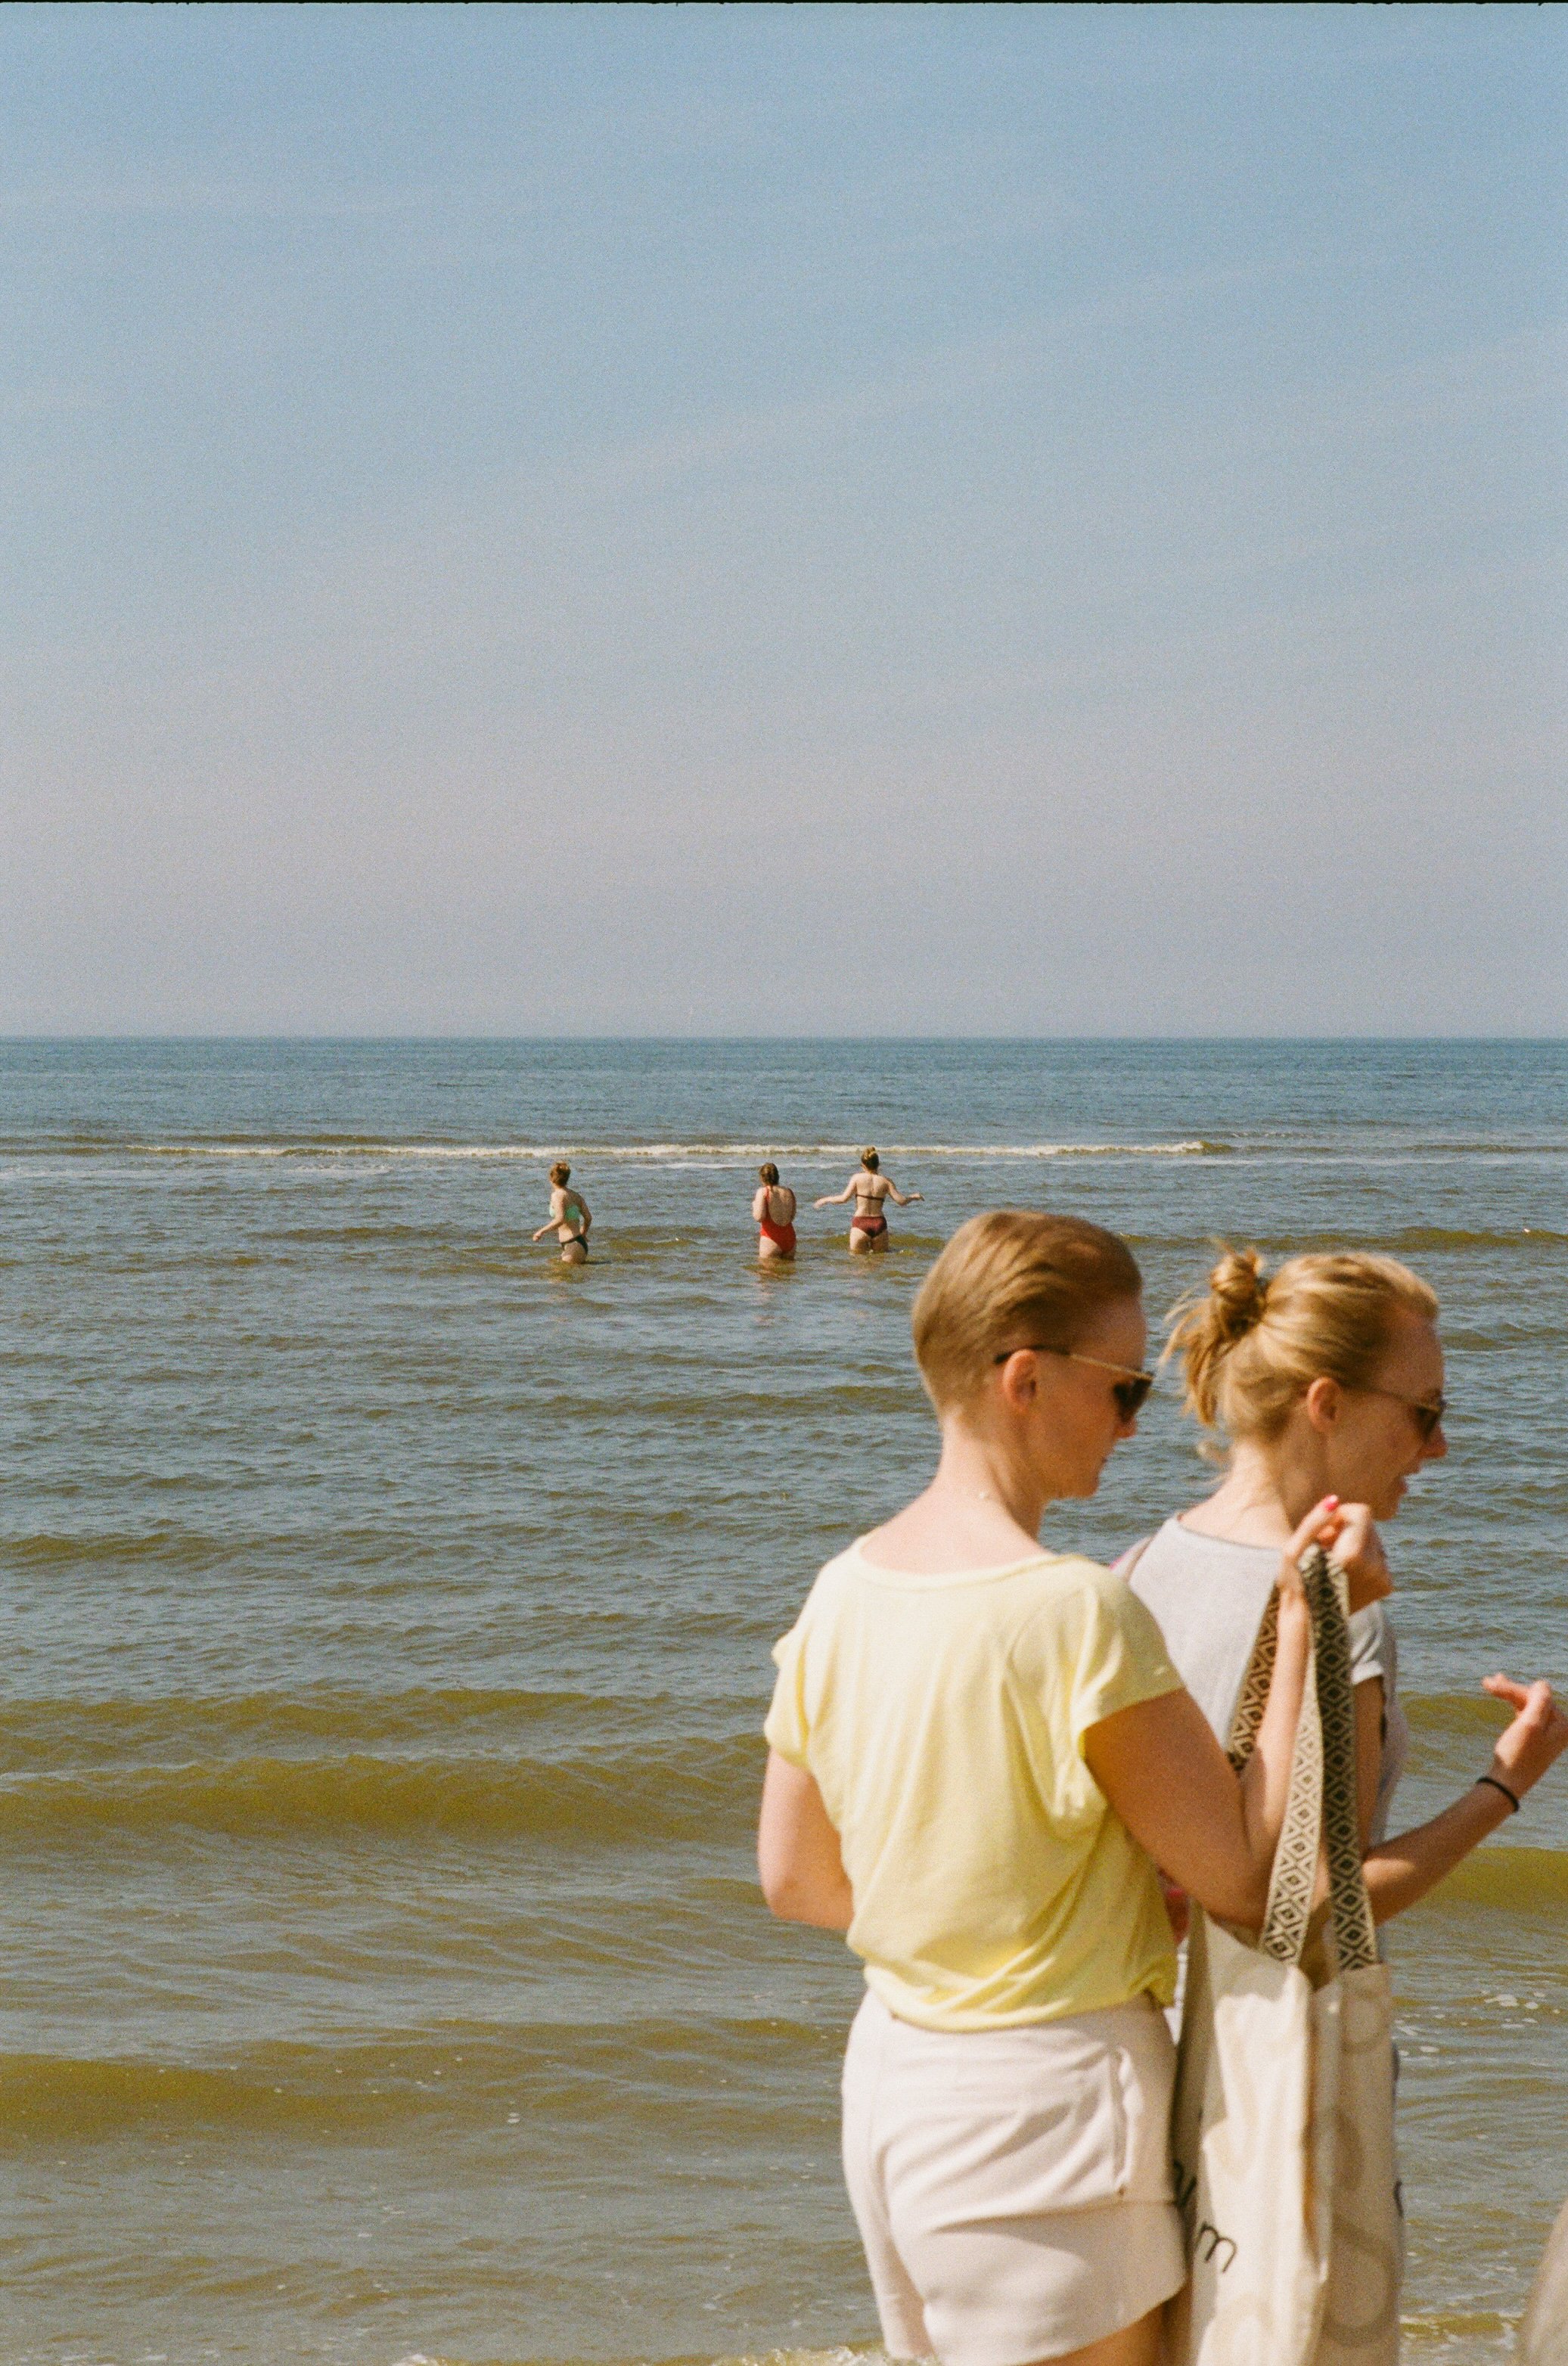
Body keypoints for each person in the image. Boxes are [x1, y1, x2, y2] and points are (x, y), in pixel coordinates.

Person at [758, 1210, 1387, 2366]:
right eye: (1124, 1388)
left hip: (896, 2091)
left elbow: (795, 1878)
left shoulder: (841, 1590)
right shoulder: (1074, 1610)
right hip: (1047, 2121)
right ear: (1025, 1380)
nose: (1136, 1423)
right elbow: (1249, 1881)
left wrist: (1006, 1908)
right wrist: (1306, 1621)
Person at [1127, 1247, 1568, 1932]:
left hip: (1154, 1991)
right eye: (1424, 1412)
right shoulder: (1336, 1605)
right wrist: (1504, 1784)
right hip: (1278, 2004)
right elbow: (1320, 1908)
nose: (1439, 1445)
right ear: (1326, 1404)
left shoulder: (1135, 1569)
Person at [814, 1147, 921, 1253]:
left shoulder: (857, 1178)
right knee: (880, 1260)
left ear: (863, 1165)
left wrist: (826, 1199)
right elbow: (901, 1201)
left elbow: (844, 1199)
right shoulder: (886, 1182)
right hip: (879, 1224)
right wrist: (913, 1197)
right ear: (878, 1165)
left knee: (857, 1261)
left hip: (860, 1223)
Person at [532, 1162, 591, 1265]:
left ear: (551, 1178)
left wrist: (541, 1232)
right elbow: (588, 1218)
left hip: (572, 1244)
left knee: (559, 1274)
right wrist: (583, 1233)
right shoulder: (576, 1195)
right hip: (579, 1243)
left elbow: (560, 1219)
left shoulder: (557, 1195)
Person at [753, 1163, 797, 1262]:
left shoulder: (763, 1191)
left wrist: (754, 1205)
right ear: (777, 1176)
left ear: (762, 1178)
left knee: (766, 1270)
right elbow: (792, 1216)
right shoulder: (789, 1191)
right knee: (788, 1270)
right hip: (790, 1237)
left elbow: (759, 1217)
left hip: (771, 1238)